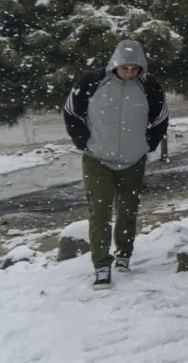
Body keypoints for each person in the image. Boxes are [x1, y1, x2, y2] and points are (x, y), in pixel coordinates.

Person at [63, 40, 169, 289]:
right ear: (115, 64)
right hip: (98, 159)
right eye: (125, 68)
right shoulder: (92, 82)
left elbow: (161, 118)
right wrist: (84, 141)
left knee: (128, 210)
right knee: (99, 212)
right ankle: (101, 265)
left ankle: (124, 254)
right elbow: (71, 112)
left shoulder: (149, 86)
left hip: (134, 160)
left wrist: (147, 144)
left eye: (135, 69)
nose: (130, 73)